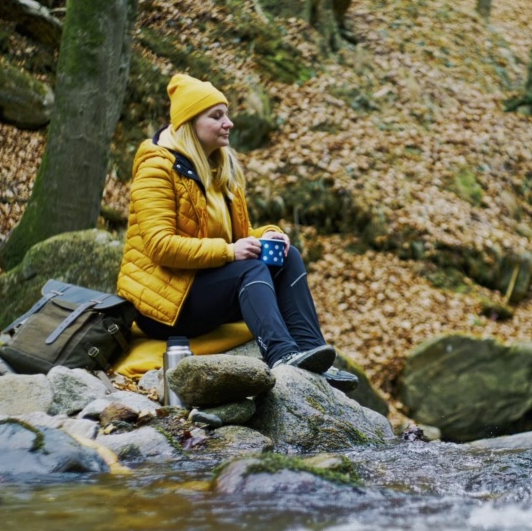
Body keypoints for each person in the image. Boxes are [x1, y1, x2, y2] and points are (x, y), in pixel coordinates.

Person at [117, 74, 357, 392]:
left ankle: (313, 354)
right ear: (190, 123)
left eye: (226, 114)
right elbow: (161, 246)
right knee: (250, 266)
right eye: (216, 116)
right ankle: (282, 355)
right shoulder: (156, 169)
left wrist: (270, 234)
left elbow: (239, 235)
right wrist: (230, 252)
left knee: (288, 256)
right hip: (164, 306)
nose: (228, 123)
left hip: (201, 285)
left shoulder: (218, 167)